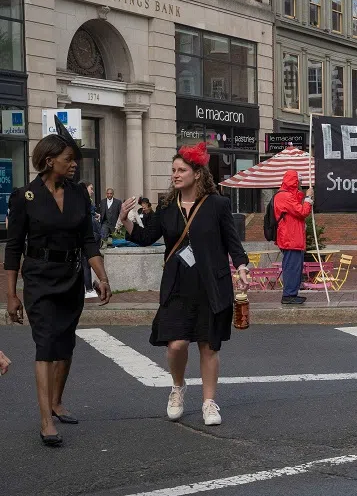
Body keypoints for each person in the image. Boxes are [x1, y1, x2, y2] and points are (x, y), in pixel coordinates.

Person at [118, 142, 250, 426]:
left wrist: (241, 266)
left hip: (211, 285)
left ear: (197, 173)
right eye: (173, 170)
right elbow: (146, 237)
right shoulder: (167, 206)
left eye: (181, 170)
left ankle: (209, 402)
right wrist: (125, 220)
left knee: (208, 346)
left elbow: (232, 242)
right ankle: (178, 387)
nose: (175, 175)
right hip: (177, 284)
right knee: (176, 344)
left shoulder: (218, 205)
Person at [5, 116, 112, 446]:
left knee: (65, 343)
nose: (74, 166)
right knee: (46, 345)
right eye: (69, 160)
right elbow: (12, 250)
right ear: (50, 161)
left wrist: (101, 275)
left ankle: (57, 401)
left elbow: (88, 241)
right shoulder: (25, 197)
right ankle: (45, 420)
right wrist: (10, 295)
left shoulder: (79, 194)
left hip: (70, 277)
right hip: (38, 279)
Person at [273, 171, 314, 305]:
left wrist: (303, 194)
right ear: (293, 182)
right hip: (291, 238)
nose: (300, 184)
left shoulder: (284, 195)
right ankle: (289, 294)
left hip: (291, 238)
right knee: (292, 267)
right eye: (298, 182)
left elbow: (295, 204)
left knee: (294, 266)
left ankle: (292, 293)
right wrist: (308, 198)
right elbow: (302, 211)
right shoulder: (285, 196)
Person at [79, 181, 102, 298]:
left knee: (86, 264)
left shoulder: (87, 204)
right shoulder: (83, 204)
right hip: (89, 238)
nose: (92, 191)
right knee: (86, 263)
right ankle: (88, 288)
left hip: (93, 237)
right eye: (91, 189)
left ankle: (88, 287)